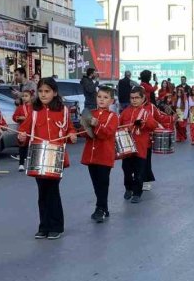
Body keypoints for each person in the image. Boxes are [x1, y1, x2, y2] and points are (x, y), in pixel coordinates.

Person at [18, 78, 77, 240]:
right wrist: (22, 136)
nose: (43, 95)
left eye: (47, 91)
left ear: (55, 93)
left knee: (52, 191)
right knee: (42, 192)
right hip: (39, 157)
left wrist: (71, 135)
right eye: (41, 91)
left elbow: (70, 129)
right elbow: (24, 129)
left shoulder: (63, 111)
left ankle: (56, 226)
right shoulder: (34, 111)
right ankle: (44, 226)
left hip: (56, 157)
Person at [81, 87, 119, 222]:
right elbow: (85, 132)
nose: (102, 99)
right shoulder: (91, 113)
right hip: (91, 155)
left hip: (104, 155)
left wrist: (97, 125)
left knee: (103, 183)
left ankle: (100, 208)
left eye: (105, 97)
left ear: (111, 101)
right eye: (99, 96)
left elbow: (107, 133)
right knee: (96, 184)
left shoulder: (113, 117)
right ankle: (104, 207)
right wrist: (84, 127)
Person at [118, 87, 159, 203]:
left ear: (142, 99)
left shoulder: (146, 113)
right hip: (127, 147)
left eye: (137, 98)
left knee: (139, 172)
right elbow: (118, 125)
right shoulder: (125, 112)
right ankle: (128, 188)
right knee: (126, 170)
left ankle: (137, 193)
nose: (134, 100)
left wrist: (144, 123)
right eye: (132, 98)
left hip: (140, 148)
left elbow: (153, 125)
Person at [12, 89, 33, 172]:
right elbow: (14, 117)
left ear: (31, 97)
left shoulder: (34, 107)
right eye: (23, 96)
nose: (24, 98)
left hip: (32, 129)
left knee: (32, 147)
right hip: (23, 129)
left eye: (26, 96)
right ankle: (21, 164)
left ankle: (32, 163)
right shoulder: (20, 108)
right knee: (22, 147)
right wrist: (19, 118)